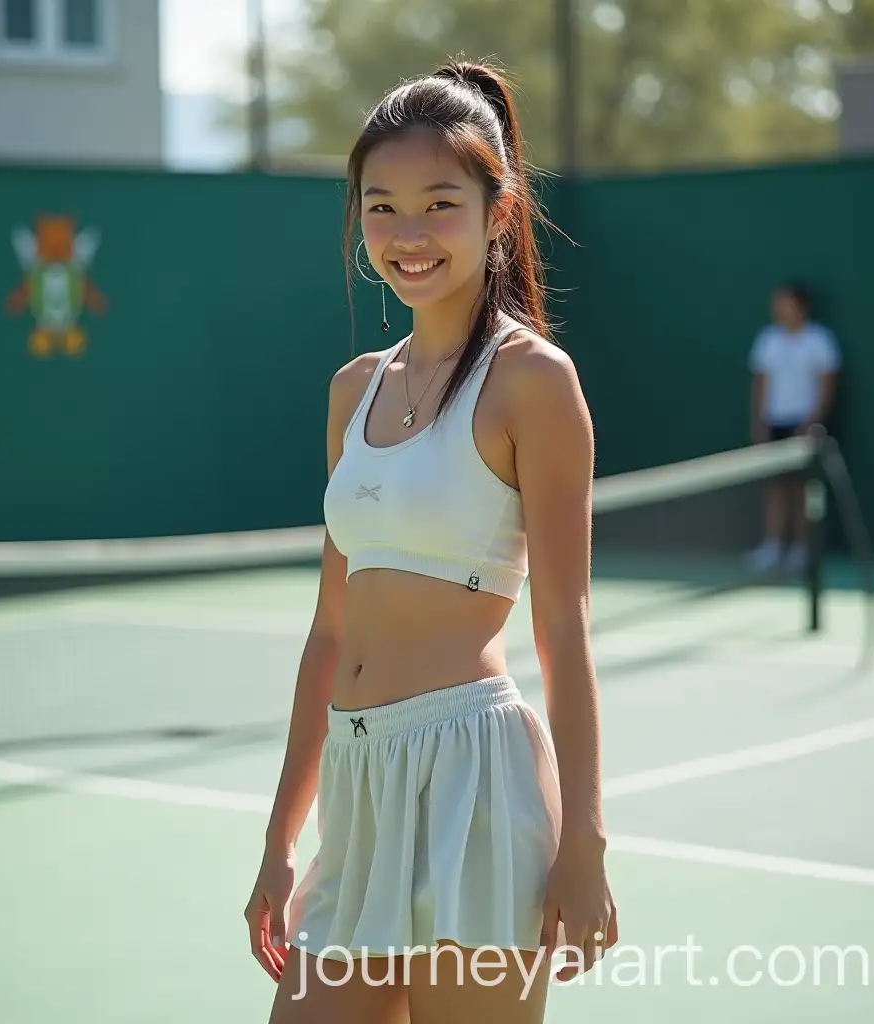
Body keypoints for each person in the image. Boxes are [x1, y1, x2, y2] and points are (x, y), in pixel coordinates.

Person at [244, 60, 617, 1024]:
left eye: (438, 204)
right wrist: (282, 842)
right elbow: (329, 635)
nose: (407, 236)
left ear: (497, 212)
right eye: (382, 208)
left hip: (474, 783)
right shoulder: (351, 390)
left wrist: (585, 844)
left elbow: (564, 630)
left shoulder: (534, 381)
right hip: (357, 785)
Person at [747, 282, 841, 572]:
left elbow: (827, 385)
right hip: (775, 422)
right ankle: (773, 546)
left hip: (804, 425)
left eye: (785, 303)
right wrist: (759, 421)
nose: (778, 309)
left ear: (801, 307)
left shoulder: (819, 341)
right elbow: (760, 383)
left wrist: (812, 421)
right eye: (777, 303)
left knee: (802, 489)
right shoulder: (768, 340)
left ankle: (802, 549)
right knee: (775, 488)